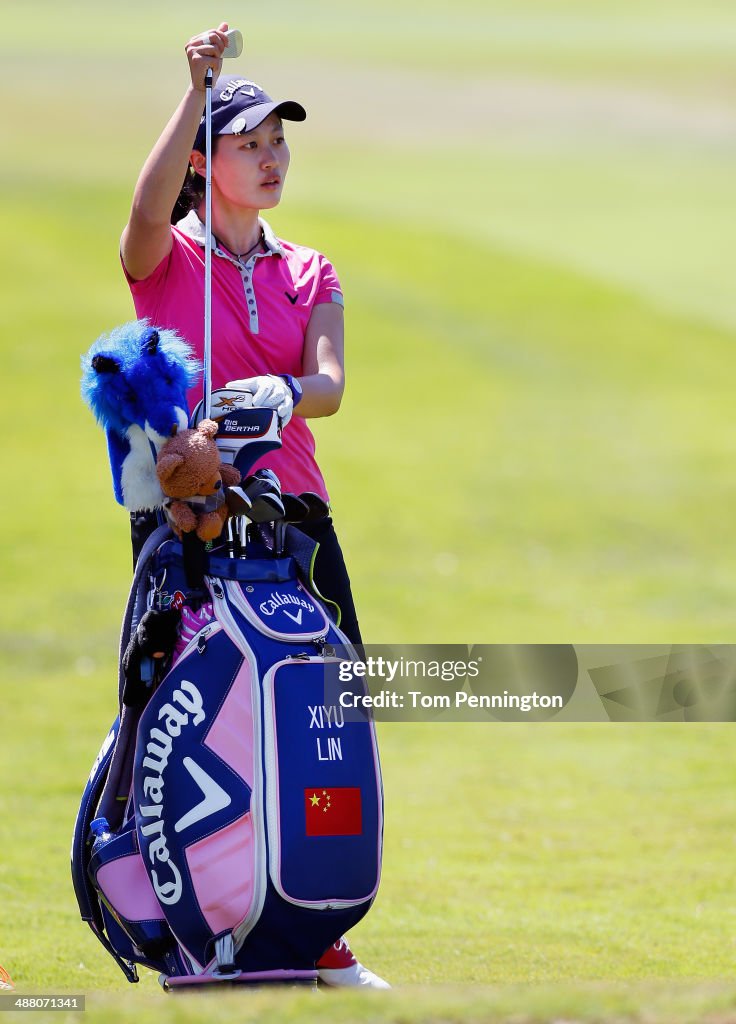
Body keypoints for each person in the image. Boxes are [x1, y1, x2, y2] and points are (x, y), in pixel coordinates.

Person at [119, 24, 388, 989]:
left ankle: (318, 933)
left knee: (325, 713)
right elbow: (144, 218)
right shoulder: (169, 261)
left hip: (293, 511)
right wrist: (195, 90)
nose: (272, 158)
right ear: (207, 160)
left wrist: (284, 394)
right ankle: (185, 914)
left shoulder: (309, 267)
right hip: (186, 516)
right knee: (176, 716)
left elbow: (329, 382)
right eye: (250, 143)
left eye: (280, 142)